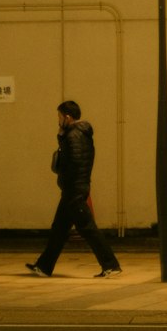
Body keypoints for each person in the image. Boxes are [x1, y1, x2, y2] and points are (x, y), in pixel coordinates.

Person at [26, 100, 122, 278]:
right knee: (59, 229)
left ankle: (111, 265)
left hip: (74, 190)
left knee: (87, 228)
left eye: (59, 117)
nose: (58, 120)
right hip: (74, 189)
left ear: (67, 117)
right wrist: (61, 137)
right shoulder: (76, 134)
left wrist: (67, 179)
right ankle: (44, 266)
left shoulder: (74, 135)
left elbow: (74, 163)